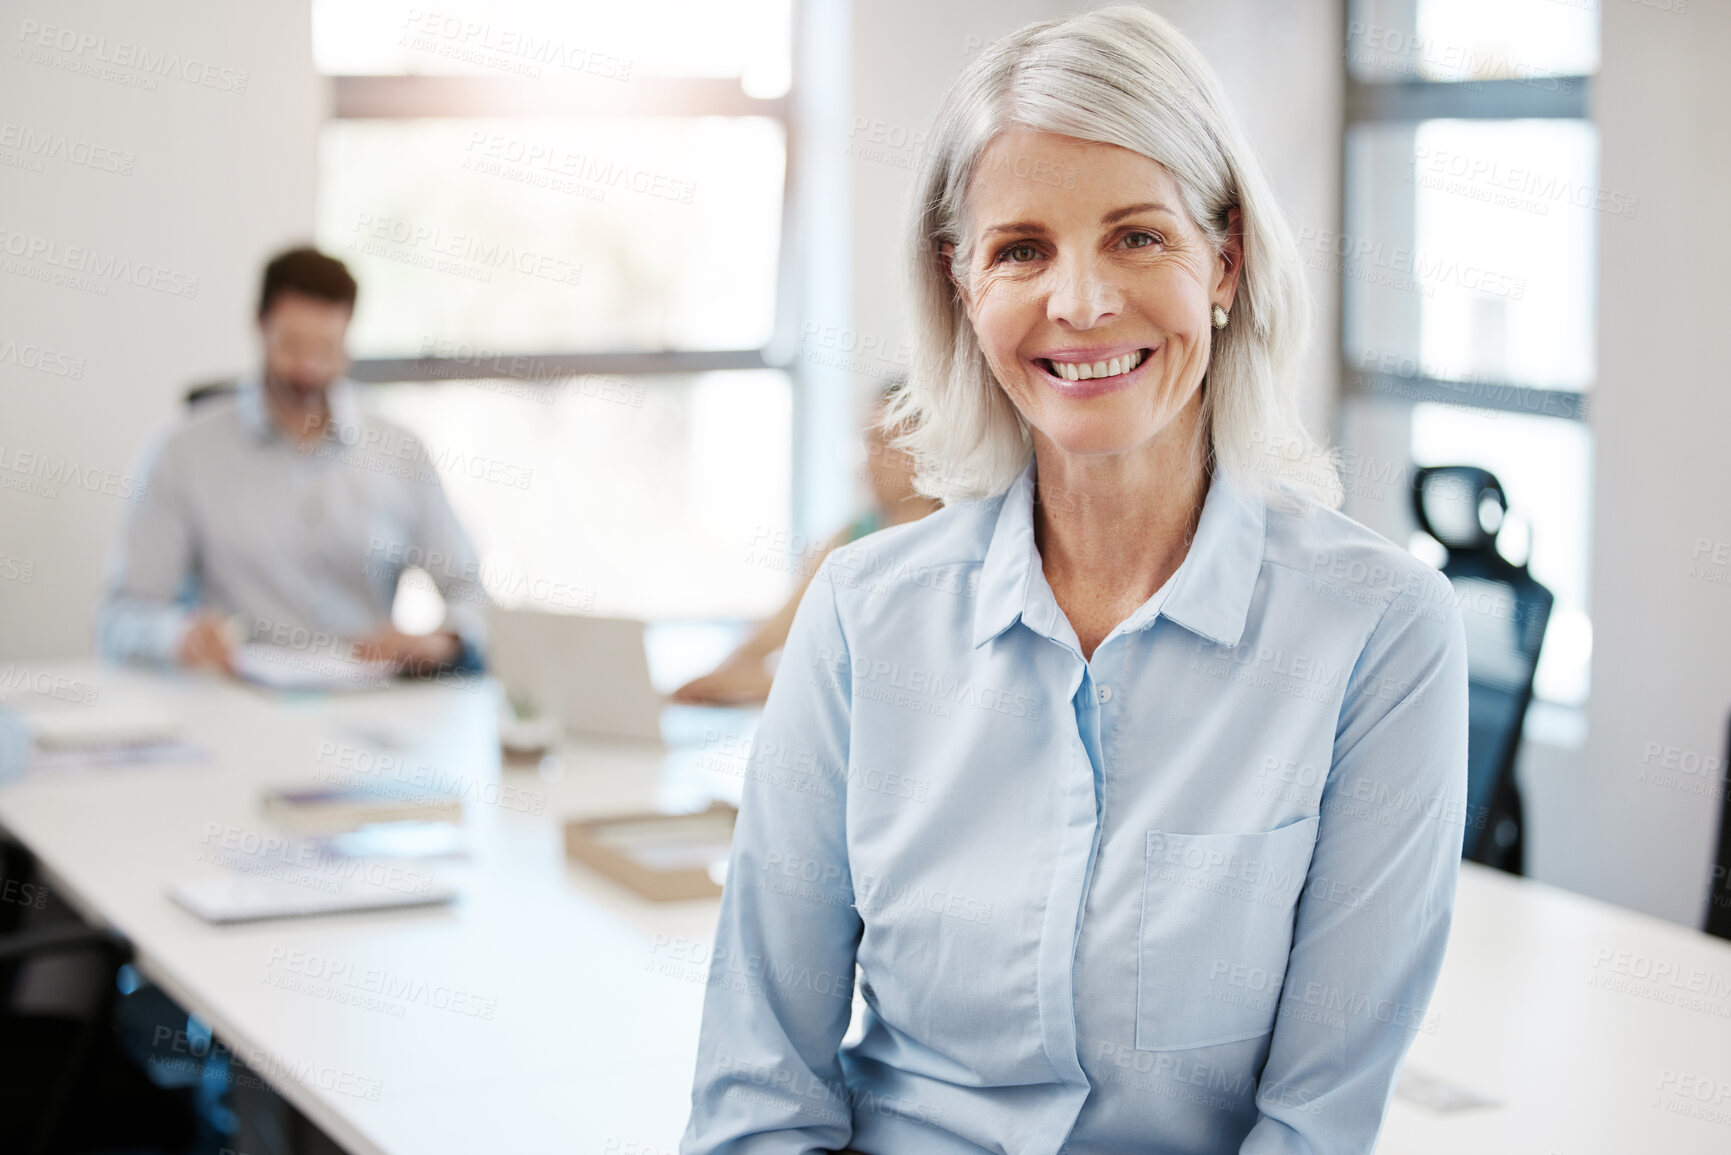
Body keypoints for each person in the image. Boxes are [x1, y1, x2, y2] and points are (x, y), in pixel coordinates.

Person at [681, 8, 1468, 1155]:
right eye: (1022, 249)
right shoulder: (861, 616)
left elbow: (1313, 1122)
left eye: (1139, 238)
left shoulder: (1378, 630)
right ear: (962, 286)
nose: (1082, 302)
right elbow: (758, 1095)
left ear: (1226, 263)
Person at [97, 247, 485, 677]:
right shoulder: (182, 452)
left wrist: (441, 639)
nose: (306, 369)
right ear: (260, 327)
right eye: (291, 346)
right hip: (233, 703)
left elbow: (471, 593)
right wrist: (177, 636)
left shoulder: (400, 452)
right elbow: (121, 620)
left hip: (367, 705)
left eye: (325, 348)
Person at [671, 381, 941, 705]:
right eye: (869, 443)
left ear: (929, 449)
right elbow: (781, 627)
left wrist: (770, 684)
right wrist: (725, 672)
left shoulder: (951, 543)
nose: (872, 461)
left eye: (888, 444)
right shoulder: (846, 539)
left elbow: (906, 675)